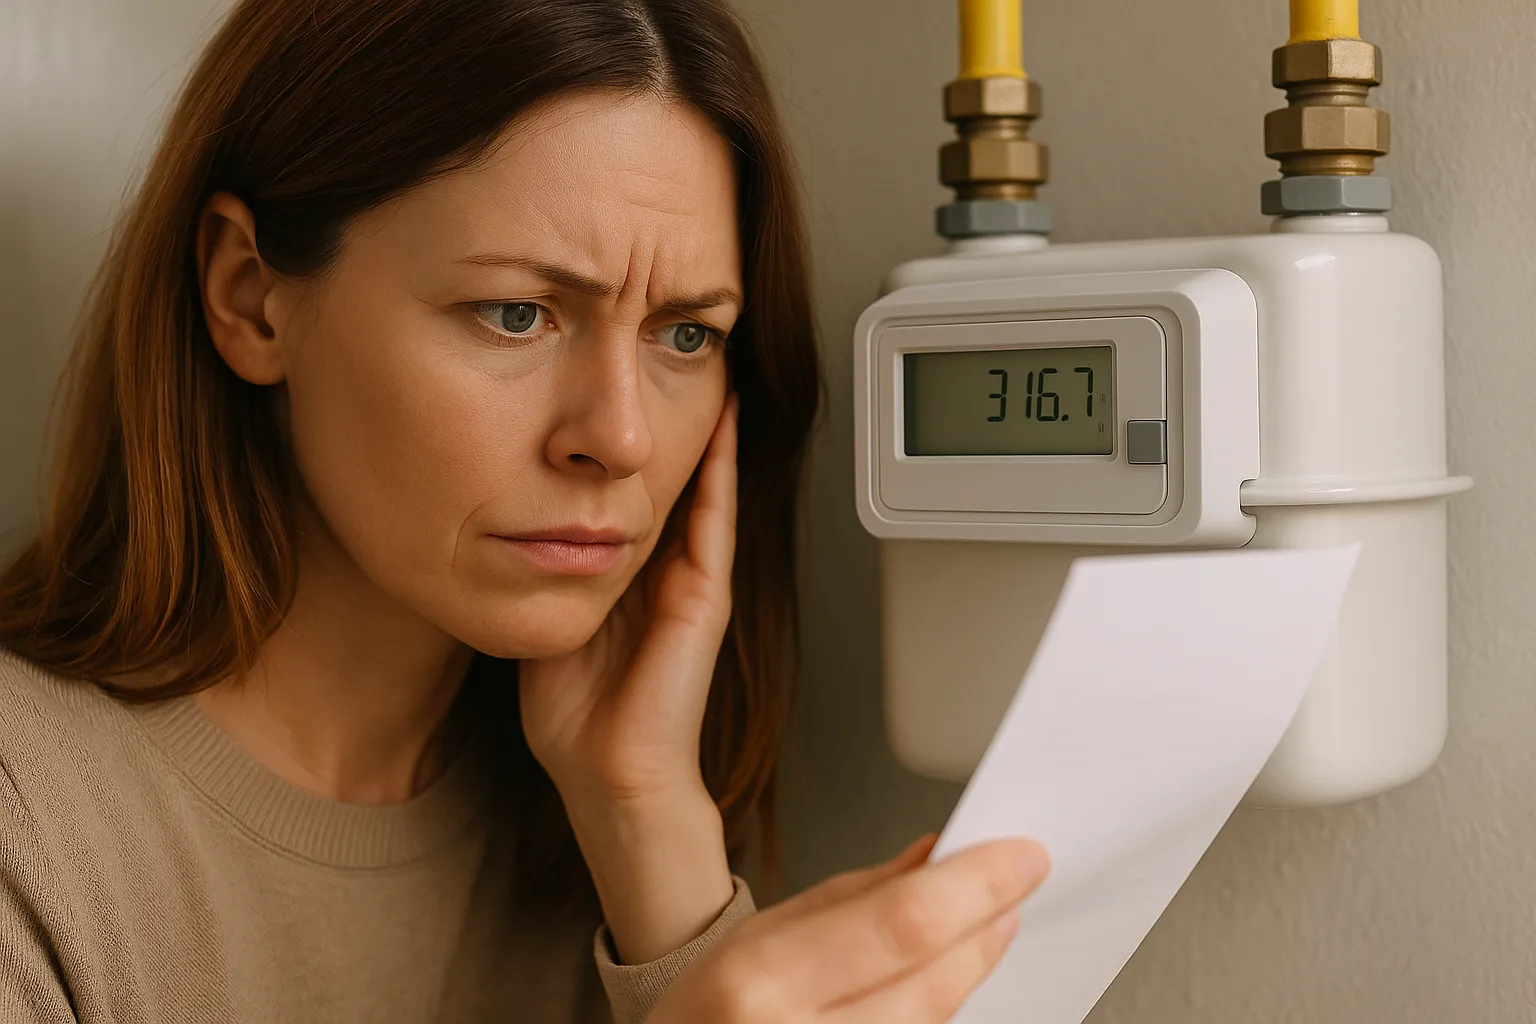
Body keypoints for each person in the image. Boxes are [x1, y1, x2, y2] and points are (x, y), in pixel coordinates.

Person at [0, 0, 1050, 1021]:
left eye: (685, 334)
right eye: (516, 314)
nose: (621, 438)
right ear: (247, 294)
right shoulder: (29, 830)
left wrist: (648, 828)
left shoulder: (588, 814)